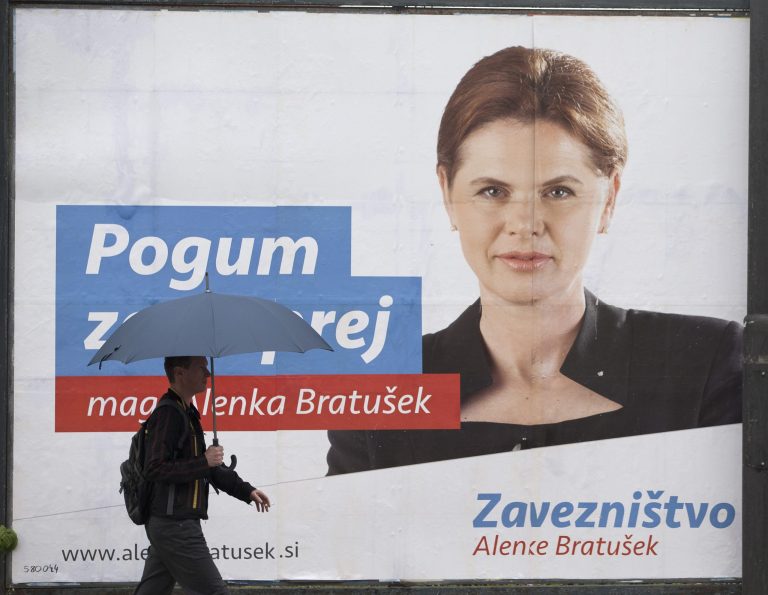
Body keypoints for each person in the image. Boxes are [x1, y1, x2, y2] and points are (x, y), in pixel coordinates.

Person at [326, 46, 743, 474]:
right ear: (448, 194)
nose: (525, 225)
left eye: (558, 191)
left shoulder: (707, 364)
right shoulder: (375, 396)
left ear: (609, 200)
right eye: (492, 190)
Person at [134, 355, 271, 595]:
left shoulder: (187, 413)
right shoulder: (169, 414)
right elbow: (154, 468)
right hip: (175, 524)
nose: (208, 374)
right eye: (201, 368)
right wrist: (203, 460)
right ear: (180, 373)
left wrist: (246, 490)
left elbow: (208, 468)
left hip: (169, 523)